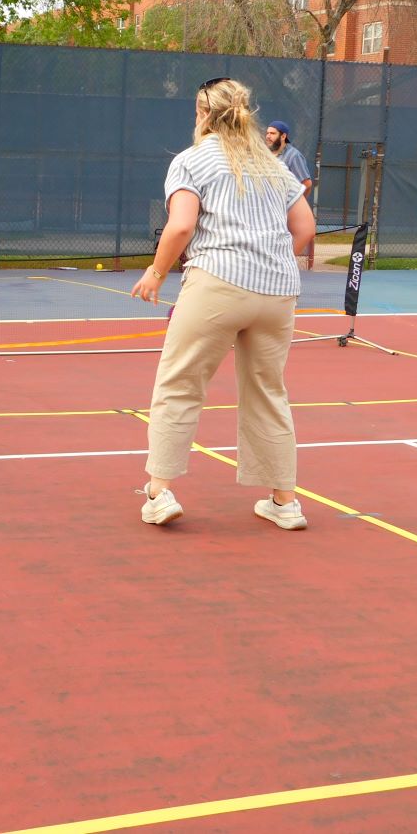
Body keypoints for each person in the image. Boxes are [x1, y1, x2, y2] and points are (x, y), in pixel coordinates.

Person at [130, 78, 316, 530]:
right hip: (277, 293)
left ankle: (159, 492)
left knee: (179, 384)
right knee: (268, 391)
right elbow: (306, 228)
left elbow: (180, 227)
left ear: (202, 113)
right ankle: (284, 501)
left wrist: (155, 272)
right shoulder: (275, 167)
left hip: (217, 283)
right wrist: (268, 261)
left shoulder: (191, 161)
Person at [265, 120, 313, 197]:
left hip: (284, 206)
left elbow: (307, 184)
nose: (268, 136)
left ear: (283, 136)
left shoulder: (293, 156)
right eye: (267, 133)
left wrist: (294, 204)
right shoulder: (265, 153)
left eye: (272, 133)